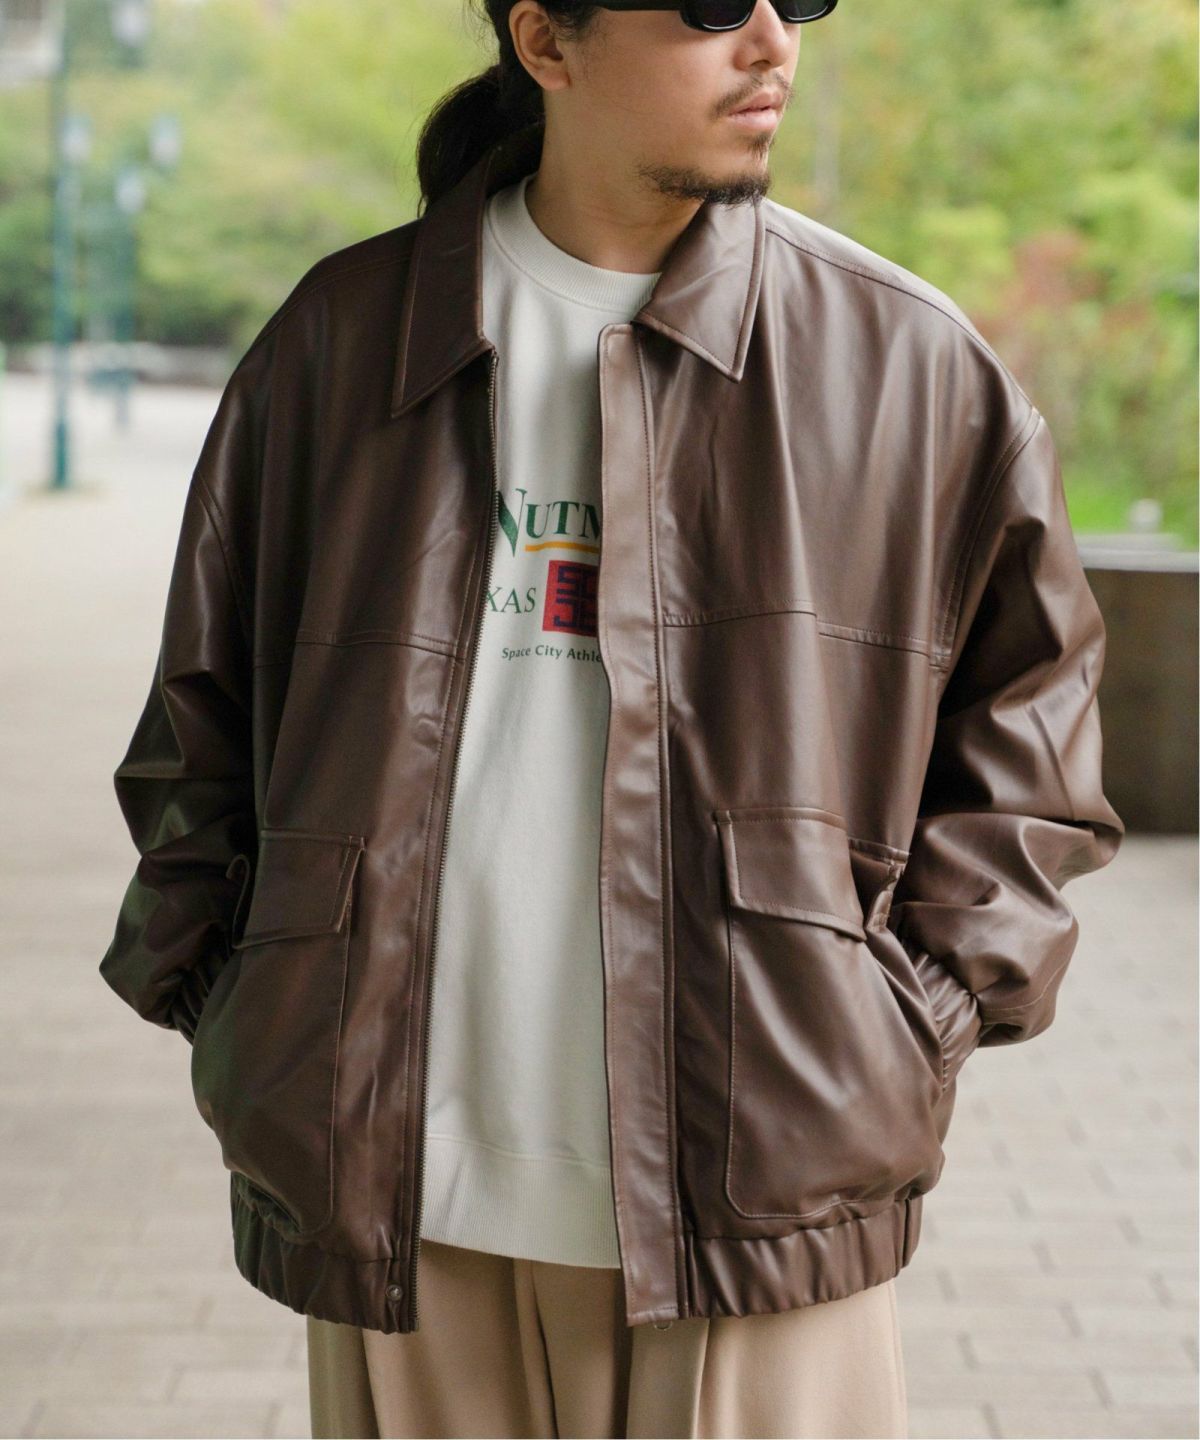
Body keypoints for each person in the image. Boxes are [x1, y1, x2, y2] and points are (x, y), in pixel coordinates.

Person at [98, 1, 1125, 1436]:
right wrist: (248, 1010)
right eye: (706, 4)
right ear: (547, 42)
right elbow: (196, 727)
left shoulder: (908, 365)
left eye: (794, 1)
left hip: (763, 1187)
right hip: (401, 1194)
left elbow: (1034, 753)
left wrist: (902, 1029)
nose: (768, 41)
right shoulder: (340, 343)